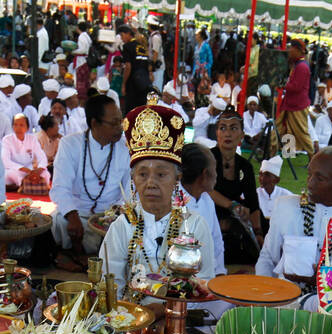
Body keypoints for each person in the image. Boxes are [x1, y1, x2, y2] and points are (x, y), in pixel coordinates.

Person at [99, 103, 216, 296]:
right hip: (130, 318)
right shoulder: (122, 226)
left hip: (181, 318)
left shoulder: (194, 226)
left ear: (177, 178)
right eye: (142, 174)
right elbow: (110, 287)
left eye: (161, 175)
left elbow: (204, 284)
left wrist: (164, 311)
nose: (151, 183)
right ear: (133, 179)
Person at [256, 146, 332, 281]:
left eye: (320, 178)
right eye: (309, 174)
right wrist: (263, 293)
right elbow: (268, 257)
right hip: (285, 296)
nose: (310, 183)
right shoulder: (286, 208)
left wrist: (322, 279)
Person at [50, 93, 129, 260]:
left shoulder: (125, 147)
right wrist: (72, 216)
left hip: (109, 217)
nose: (120, 128)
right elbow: (60, 187)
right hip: (77, 213)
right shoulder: (70, 144)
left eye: (120, 121)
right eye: (114, 123)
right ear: (94, 123)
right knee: (59, 221)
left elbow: (130, 189)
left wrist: (120, 215)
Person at [209, 107, 260, 266]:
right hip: (209, 212)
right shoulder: (208, 158)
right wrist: (232, 205)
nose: (227, 133)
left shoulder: (245, 166)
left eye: (233, 128)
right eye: (222, 128)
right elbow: (204, 189)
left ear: (241, 135)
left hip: (235, 215)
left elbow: (252, 202)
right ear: (217, 133)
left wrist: (258, 232)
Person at [179, 143, 225, 275]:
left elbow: (217, 242)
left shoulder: (207, 200)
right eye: (215, 169)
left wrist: (220, 273)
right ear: (205, 174)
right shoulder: (172, 202)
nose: (217, 175)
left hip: (210, 279)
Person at [278, 40, 313, 157]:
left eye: (291, 49)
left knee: (302, 132)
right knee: (287, 129)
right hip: (291, 103)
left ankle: (312, 156)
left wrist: (282, 85)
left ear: (298, 51)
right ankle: (288, 153)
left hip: (298, 105)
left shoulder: (302, 67)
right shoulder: (298, 65)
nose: (289, 51)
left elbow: (296, 87)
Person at [2, 114, 49, 193]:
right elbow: (5, 161)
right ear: (12, 127)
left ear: (27, 127)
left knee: (46, 174)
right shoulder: (7, 139)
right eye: (15, 125)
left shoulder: (32, 139)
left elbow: (42, 157)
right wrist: (23, 169)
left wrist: (39, 169)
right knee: (12, 174)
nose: (18, 128)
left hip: (31, 170)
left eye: (21, 125)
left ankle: (26, 185)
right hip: (14, 169)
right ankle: (26, 185)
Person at [256, 155, 292, 221]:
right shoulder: (253, 195)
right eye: (260, 174)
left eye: (267, 175)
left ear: (277, 180)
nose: (262, 178)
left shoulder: (287, 196)